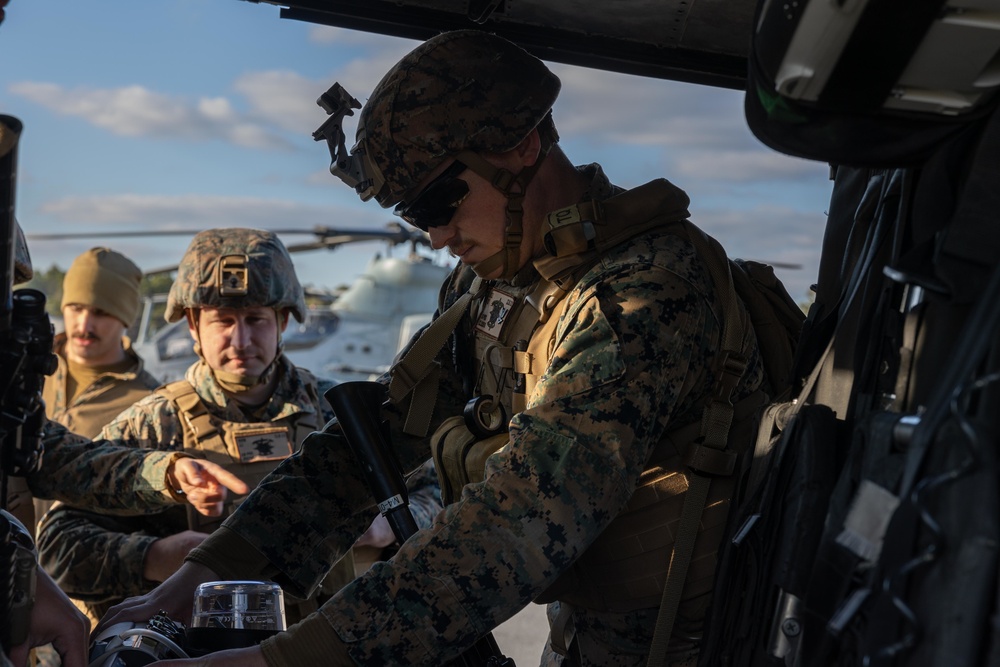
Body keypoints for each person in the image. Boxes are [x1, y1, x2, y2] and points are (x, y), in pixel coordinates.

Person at [100, 30, 774, 667]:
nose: (437, 235)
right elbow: (367, 448)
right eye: (415, 217)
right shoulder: (490, 282)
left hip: (692, 644)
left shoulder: (646, 290)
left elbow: (520, 517)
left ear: (521, 145)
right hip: (588, 634)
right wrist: (200, 576)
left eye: (439, 201)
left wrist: (280, 659)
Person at [37, 228, 441, 628]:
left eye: (256, 319)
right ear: (193, 326)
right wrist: (155, 556)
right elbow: (55, 543)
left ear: (282, 321)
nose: (241, 339)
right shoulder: (154, 423)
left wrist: (389, 527)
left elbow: (436, 488)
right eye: (223, 321)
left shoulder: (340, 412)